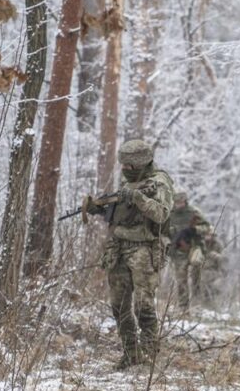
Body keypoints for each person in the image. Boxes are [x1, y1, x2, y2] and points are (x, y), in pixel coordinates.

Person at [87, 139, 174, 370]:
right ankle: (131, 354)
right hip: (118, 247)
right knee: (118, 305)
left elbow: (161, 214)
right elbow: (121, 214)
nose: (124, 170)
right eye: (123, 165)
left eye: (129, 166)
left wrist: (138, 198)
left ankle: (148, 356)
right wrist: (99, 209)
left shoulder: (159, 183)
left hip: (144, 248)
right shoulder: (129, 182)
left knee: (143, 305)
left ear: (142, 164)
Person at [167, 191, 213, 312]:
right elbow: (163, 230)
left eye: (181, 202)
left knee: (196, 271)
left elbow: (208, 227)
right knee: (181, 279)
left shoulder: (194, 212)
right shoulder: (170, 214)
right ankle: (183, 307)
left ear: (185, 201)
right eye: (176, 202)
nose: (179, 205)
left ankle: (197, 302)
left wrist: (194, 230)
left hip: (194, 248)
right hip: (178, 251)